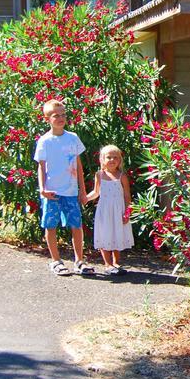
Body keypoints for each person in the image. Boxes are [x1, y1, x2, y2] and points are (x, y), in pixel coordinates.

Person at [34, 99, 93, 276]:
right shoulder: (45, 141)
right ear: (47, 119)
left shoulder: (72, 138)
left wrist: (82, 191)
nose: (60, 118)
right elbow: (41, 167)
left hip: (71, 191)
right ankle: (56, 261)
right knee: (51, 225)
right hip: (52, 192)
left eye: (63, 115)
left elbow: (79, 166)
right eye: (55, 116)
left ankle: (79, 261)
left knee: (76, 225)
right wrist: (42, 188)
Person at [85, 144, 135, 275]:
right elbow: (96, 193)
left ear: (120, 160)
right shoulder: (99, 175)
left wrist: (127, 212)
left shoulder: (121, 176)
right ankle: (107, 264)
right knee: (105, 234)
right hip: (104, 211)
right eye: (109, 157)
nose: (112, 160)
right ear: (102, 159)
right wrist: (85, 198)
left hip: (118, 211)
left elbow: (127, 195)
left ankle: (116, 262)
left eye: (115, 157)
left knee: (116, 234)